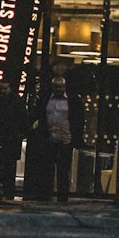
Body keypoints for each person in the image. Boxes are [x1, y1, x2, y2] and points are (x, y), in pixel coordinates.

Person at [44, 73, 73, 203]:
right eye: (56, 87)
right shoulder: (48, 100)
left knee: (63, 169)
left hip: (65, 138)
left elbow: (77, 118)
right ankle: (47, 193)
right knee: (48, 168)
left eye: (60, 87)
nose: (58, 90)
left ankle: (62, 195)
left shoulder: (71, 100)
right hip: (51, 137)